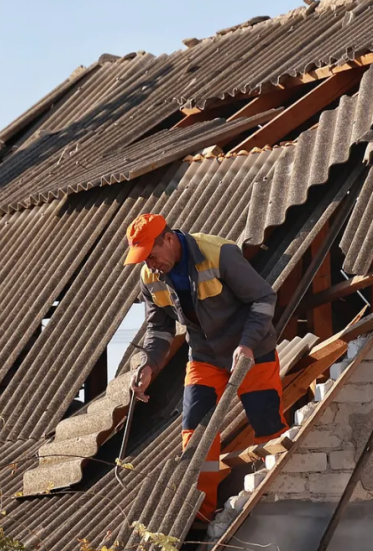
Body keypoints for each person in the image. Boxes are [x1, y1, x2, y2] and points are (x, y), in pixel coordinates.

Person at [123, 213, 287, 521]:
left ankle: (278, 506)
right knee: (195, 438)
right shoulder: (150, 278)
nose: (150, 264)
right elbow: (158, 329)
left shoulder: (219, 253)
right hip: (204, 356)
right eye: (143, 259)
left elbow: (264, 298)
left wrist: (248, 343)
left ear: (169, 240)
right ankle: (200, 519)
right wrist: (149, 365)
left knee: (268, 428)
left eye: (152, 256)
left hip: (253, 352)